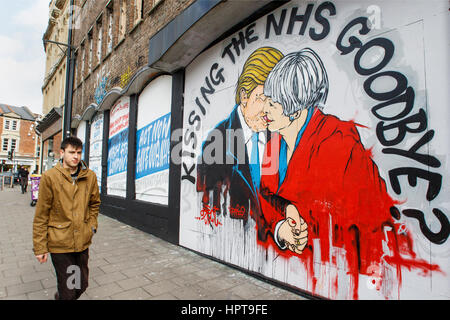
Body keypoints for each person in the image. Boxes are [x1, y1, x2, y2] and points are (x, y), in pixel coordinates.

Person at [258, 48, 426, 298]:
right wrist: (282, 225)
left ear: (296, 106)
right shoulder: (273, 144)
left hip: (345, 274)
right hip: (294, 270)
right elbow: (266, 193)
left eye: (273, 104)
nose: (265, 111)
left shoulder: (337, 140)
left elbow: (358, 215)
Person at [197, 47, 283, 231]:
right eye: (263, 98)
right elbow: (210, 209)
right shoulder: (216, 142)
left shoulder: (281, 139)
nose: (269, 109)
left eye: (274, 100)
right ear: (244, 96)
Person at [32, 136, 100, 300]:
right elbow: (41, 214)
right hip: (60, 243)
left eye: (78, 152)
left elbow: (94, 203)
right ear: (62, 153)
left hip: (82, 241)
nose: (75, 156)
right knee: (69, 290)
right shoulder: (50, 177)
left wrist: (91, 225)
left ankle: (61, 296)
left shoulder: (89, 176)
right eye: (71, 152)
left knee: (81, 284)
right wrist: (40, 247)